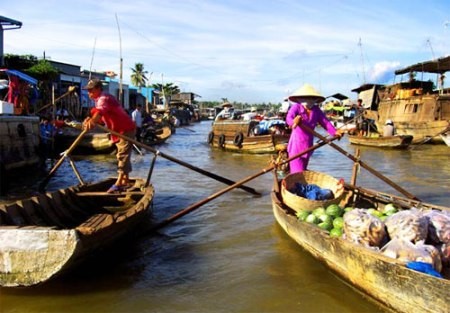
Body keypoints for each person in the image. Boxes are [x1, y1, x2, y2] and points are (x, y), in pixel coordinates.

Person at [82, 79, 136, 193]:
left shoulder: (103, 98)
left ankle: (120, 182)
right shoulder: (99, 100)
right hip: (118, 130)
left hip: (124, 128)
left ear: (98, 89)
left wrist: (92, 121)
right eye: (88, 91)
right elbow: (102, 118)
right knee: (122, 153)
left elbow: (100, 112)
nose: (89, 93)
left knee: (122, 154)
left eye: (91, 90)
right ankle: (125, 179)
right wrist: (92, 120)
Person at [285, 83, 342, 174]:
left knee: (303, 172)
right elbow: (289, 118)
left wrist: (335, 132)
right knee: (298, 174)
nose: (309, 100)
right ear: (301, 98)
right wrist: (294, 122)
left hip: (308, 146)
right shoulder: (296, 107)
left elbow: (325, 122)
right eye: (306, 97)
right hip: (296, 146)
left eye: (311, 98)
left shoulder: (316, 110)